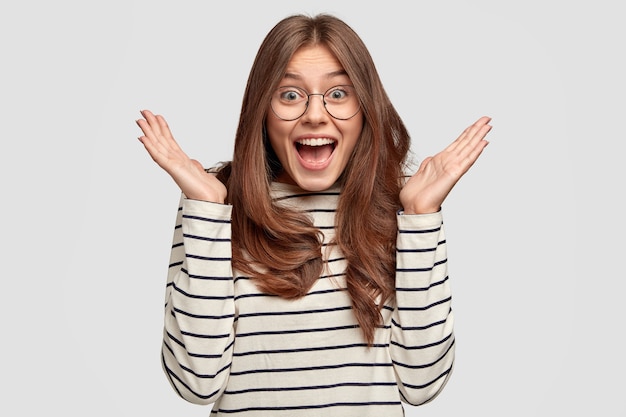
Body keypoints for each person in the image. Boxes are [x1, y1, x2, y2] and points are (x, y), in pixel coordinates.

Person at [136, 13, 491, 417]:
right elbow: (194, 383)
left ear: (364, 109)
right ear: (262, 109)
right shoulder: (214, 207)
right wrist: (206, 210)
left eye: (339, 93)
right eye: (290, 95)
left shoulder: (400, 208)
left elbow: (423, 383)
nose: (315, 115)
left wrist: (421, 217)